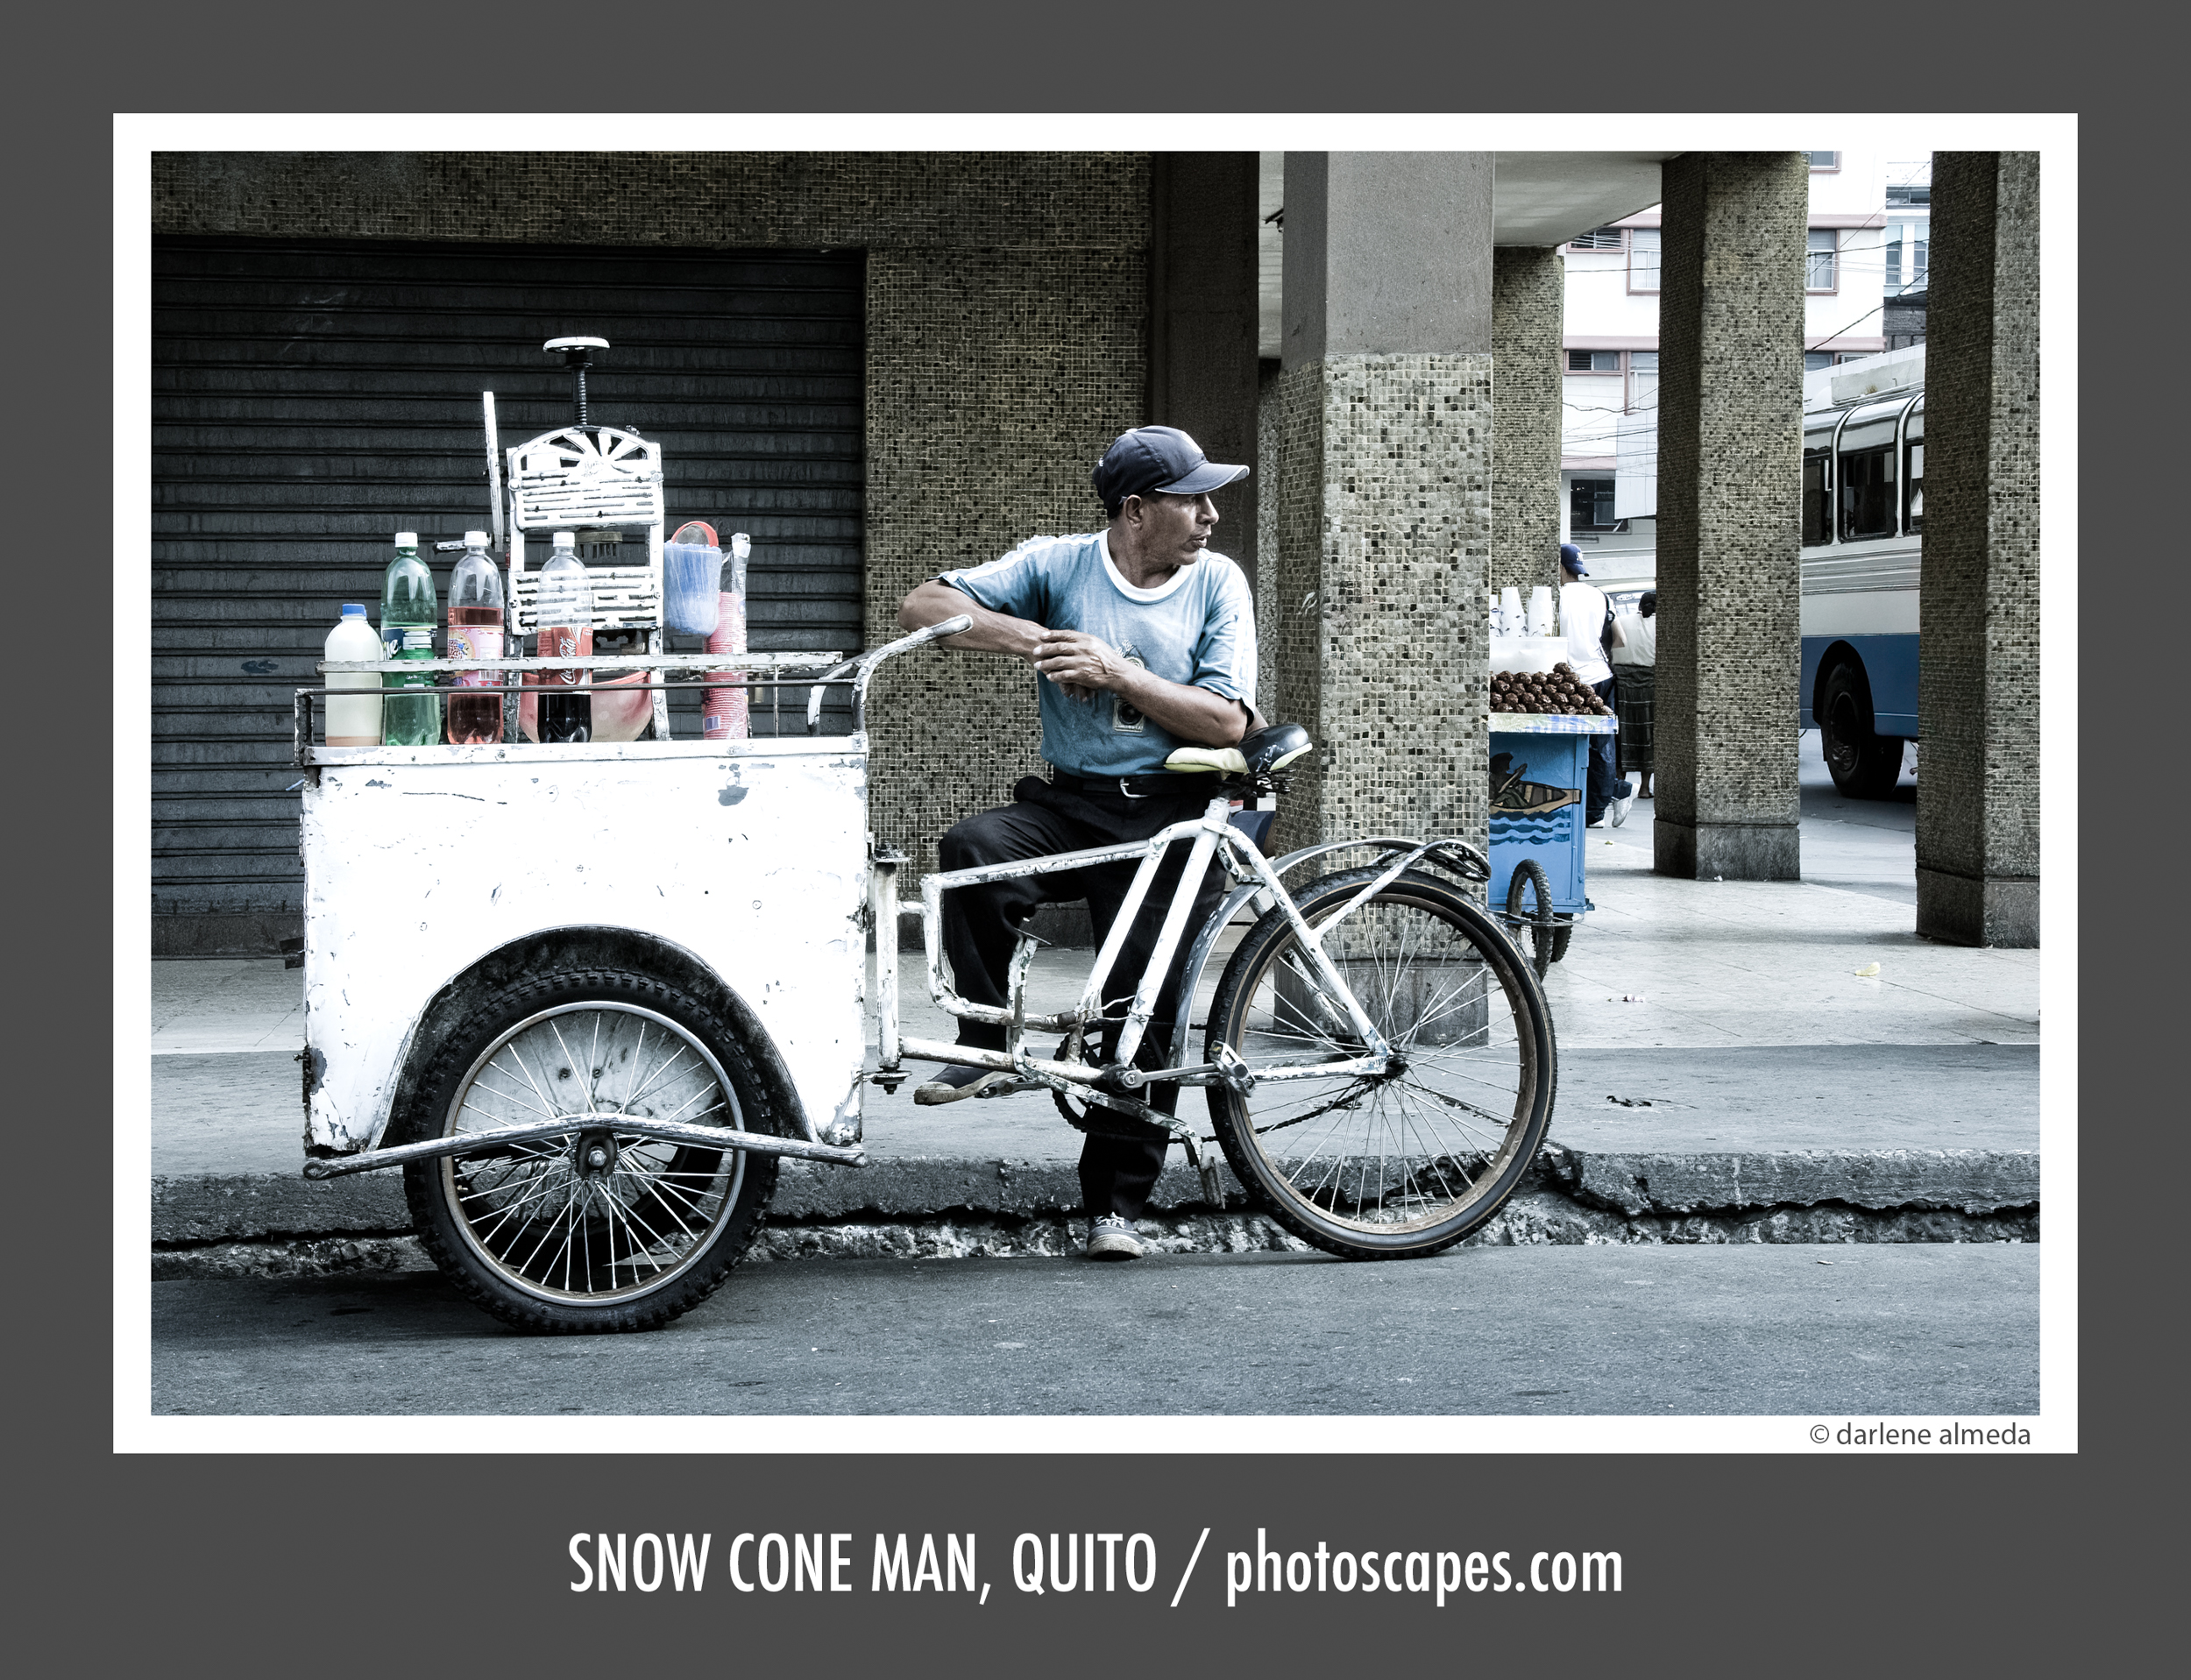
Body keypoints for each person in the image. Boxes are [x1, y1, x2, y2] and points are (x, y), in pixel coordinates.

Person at [897, 425, 1258, 1262]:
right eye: (1192, 499)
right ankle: (985, 1044)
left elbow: (1228, 719)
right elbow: (923, 607)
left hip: (1172, 813)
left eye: (1210, 499)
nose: (1209, 514)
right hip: (1072, 801)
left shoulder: (1218, 583)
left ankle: (1115, 1211)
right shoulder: (1059, 563)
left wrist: (1119, 674)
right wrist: (1037, 640)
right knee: (972, 850)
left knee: (1139, 1016)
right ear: (1135, 511)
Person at [1559, 544, 1635, 827]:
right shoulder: (1600, 595)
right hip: (1601, 675)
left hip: (1570, 681)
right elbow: (1620, 640)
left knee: (1569, 745)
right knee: (1601, 746)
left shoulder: (1557, 597)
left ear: (1559, 567)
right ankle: (1602, 805)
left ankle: (1597, 805)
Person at [1611, 588, 1657, 799]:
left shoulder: (1623, 620)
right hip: (1650, 683)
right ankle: (1645, 788)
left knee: (1622, 736)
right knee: (1648, 737)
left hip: (1621, 683)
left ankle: (1619, 785)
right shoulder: (1662, 625)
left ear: (1640, 606)